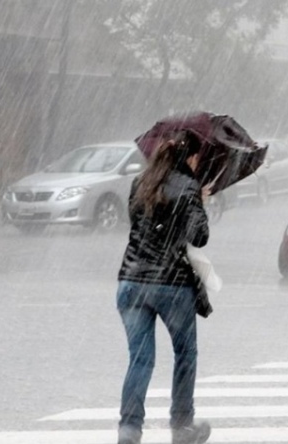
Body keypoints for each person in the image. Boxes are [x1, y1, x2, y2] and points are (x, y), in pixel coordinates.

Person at [116, 129, 212, 444]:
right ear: (191, 157)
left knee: (140, 359)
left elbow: (138, 222)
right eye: (199, 158)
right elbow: (199, 237)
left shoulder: (139, 183)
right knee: (185, 352)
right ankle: (182, 426)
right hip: (171, 284)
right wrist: (198, 200)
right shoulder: (188, 187)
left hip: (131, 281)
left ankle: (129, 430)